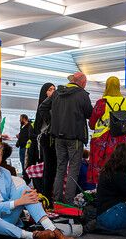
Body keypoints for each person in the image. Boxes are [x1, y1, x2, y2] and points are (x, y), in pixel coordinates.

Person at [0, 142, 72, 239]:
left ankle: (53, 230)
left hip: (6, 217)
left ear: (1, 157)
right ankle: (31, 236)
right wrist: (19, 202)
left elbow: (16, 196)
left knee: (25, 190)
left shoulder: (5, 173)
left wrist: (28, 197)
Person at [39, 72, 93, 204]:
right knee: (73, 170)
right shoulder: (82, 94)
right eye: (85, 83)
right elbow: (89, 114)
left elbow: (42, 107)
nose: (85, 86)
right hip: (75, 137)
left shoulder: (57, 92)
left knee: (60, 168)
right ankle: (68, 203)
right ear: (81, 82)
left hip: (58, 137)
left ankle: (57, 201)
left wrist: (53, 121)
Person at [88, 76, 126, 184]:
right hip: (125, 138)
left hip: (105, 140)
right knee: (122, 165)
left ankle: (103, 189)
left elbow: (92, 122)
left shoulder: (102, 102)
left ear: (106, 86)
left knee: (105, 167)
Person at [31, 83, 56, 198]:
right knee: (49, 169)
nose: (53, 91)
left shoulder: (54, 105)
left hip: (52, 139)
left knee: (53, 168)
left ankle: (50, 193)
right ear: (44, 92)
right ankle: (46, 195)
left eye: (54, 89)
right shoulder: (43, 107)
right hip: (46, 140)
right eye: (50, 89)